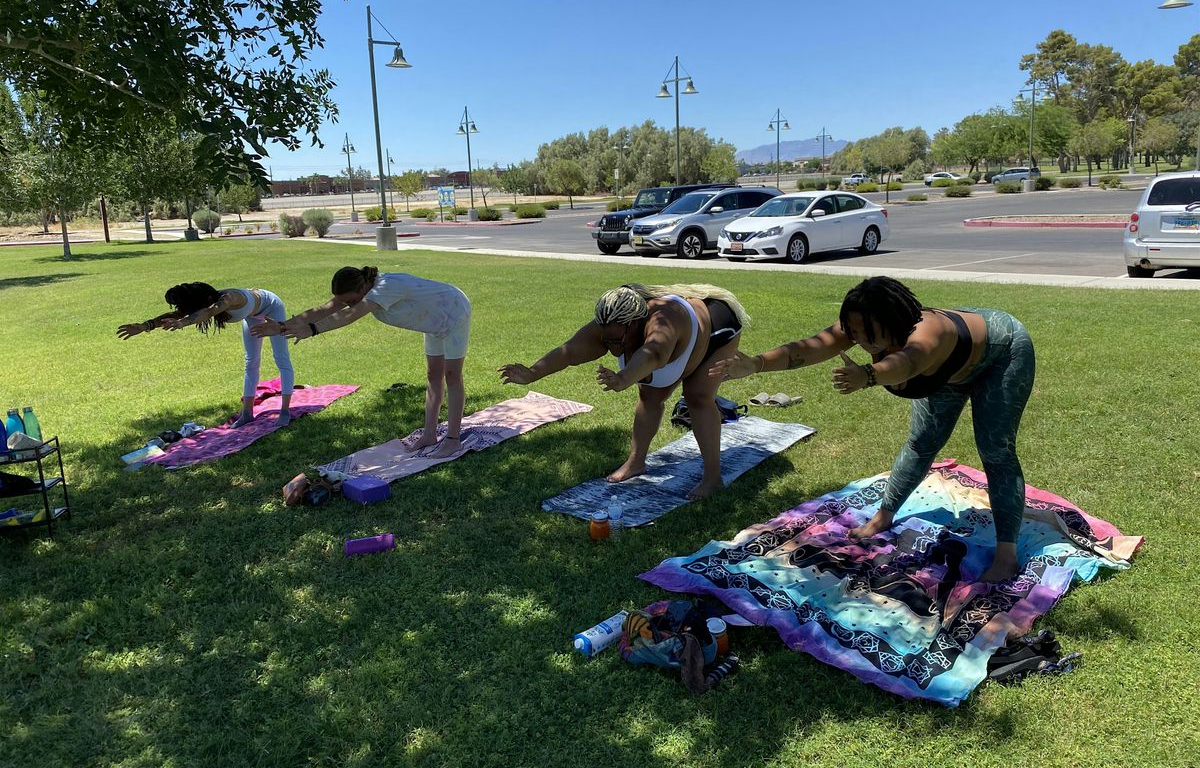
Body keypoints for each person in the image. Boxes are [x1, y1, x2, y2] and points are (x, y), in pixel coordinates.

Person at [711, 276, 1035, 583]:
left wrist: (867, 375)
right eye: (853, 333)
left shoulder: (928, 334)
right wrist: (756, 363)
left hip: (1000, 354)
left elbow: (905, 365)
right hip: (949, 371)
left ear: (893, 324)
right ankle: (884, 516)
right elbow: (811, 347)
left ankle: (1005, 553)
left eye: (868, 336)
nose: (860, 342)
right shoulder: (865, 324)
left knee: (996, 450)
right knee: (921, 442)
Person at [499, 283, 748, 500]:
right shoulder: (611, 325)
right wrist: (532, 373)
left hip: (717, 328)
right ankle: (636, 461)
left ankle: (712, 477)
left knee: (697, 397)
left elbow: (654, 354)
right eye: (606, 341)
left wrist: (624, 377)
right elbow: (570, 351)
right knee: (650, 396)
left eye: (617, 342)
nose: (611, 347)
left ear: (636, 324)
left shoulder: (663, 325)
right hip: (681, 340)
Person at [257, 265, 471, 459]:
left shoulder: (385, 288)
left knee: (452, 375)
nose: (347, 305)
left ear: (363, 288)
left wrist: (312, 330)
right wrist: (282, 326)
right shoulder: (363, 290)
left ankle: (452, 440)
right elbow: (323, 310)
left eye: (350, 300)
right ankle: (429, 434)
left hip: (453, 311)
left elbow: (350, 315)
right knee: (433, 374)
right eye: (345, 301)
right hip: (432, 321)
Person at [118, 283, 295, 427]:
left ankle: (285, 411)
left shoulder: (229, 298)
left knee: (280, 357)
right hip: (252, 316)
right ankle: (247, 413)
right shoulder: (204, 303)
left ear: (208, 299)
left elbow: (209, 311)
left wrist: (182, 323)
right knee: (251, 362)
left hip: (271, 307)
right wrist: (144, 326)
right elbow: (178, 313)